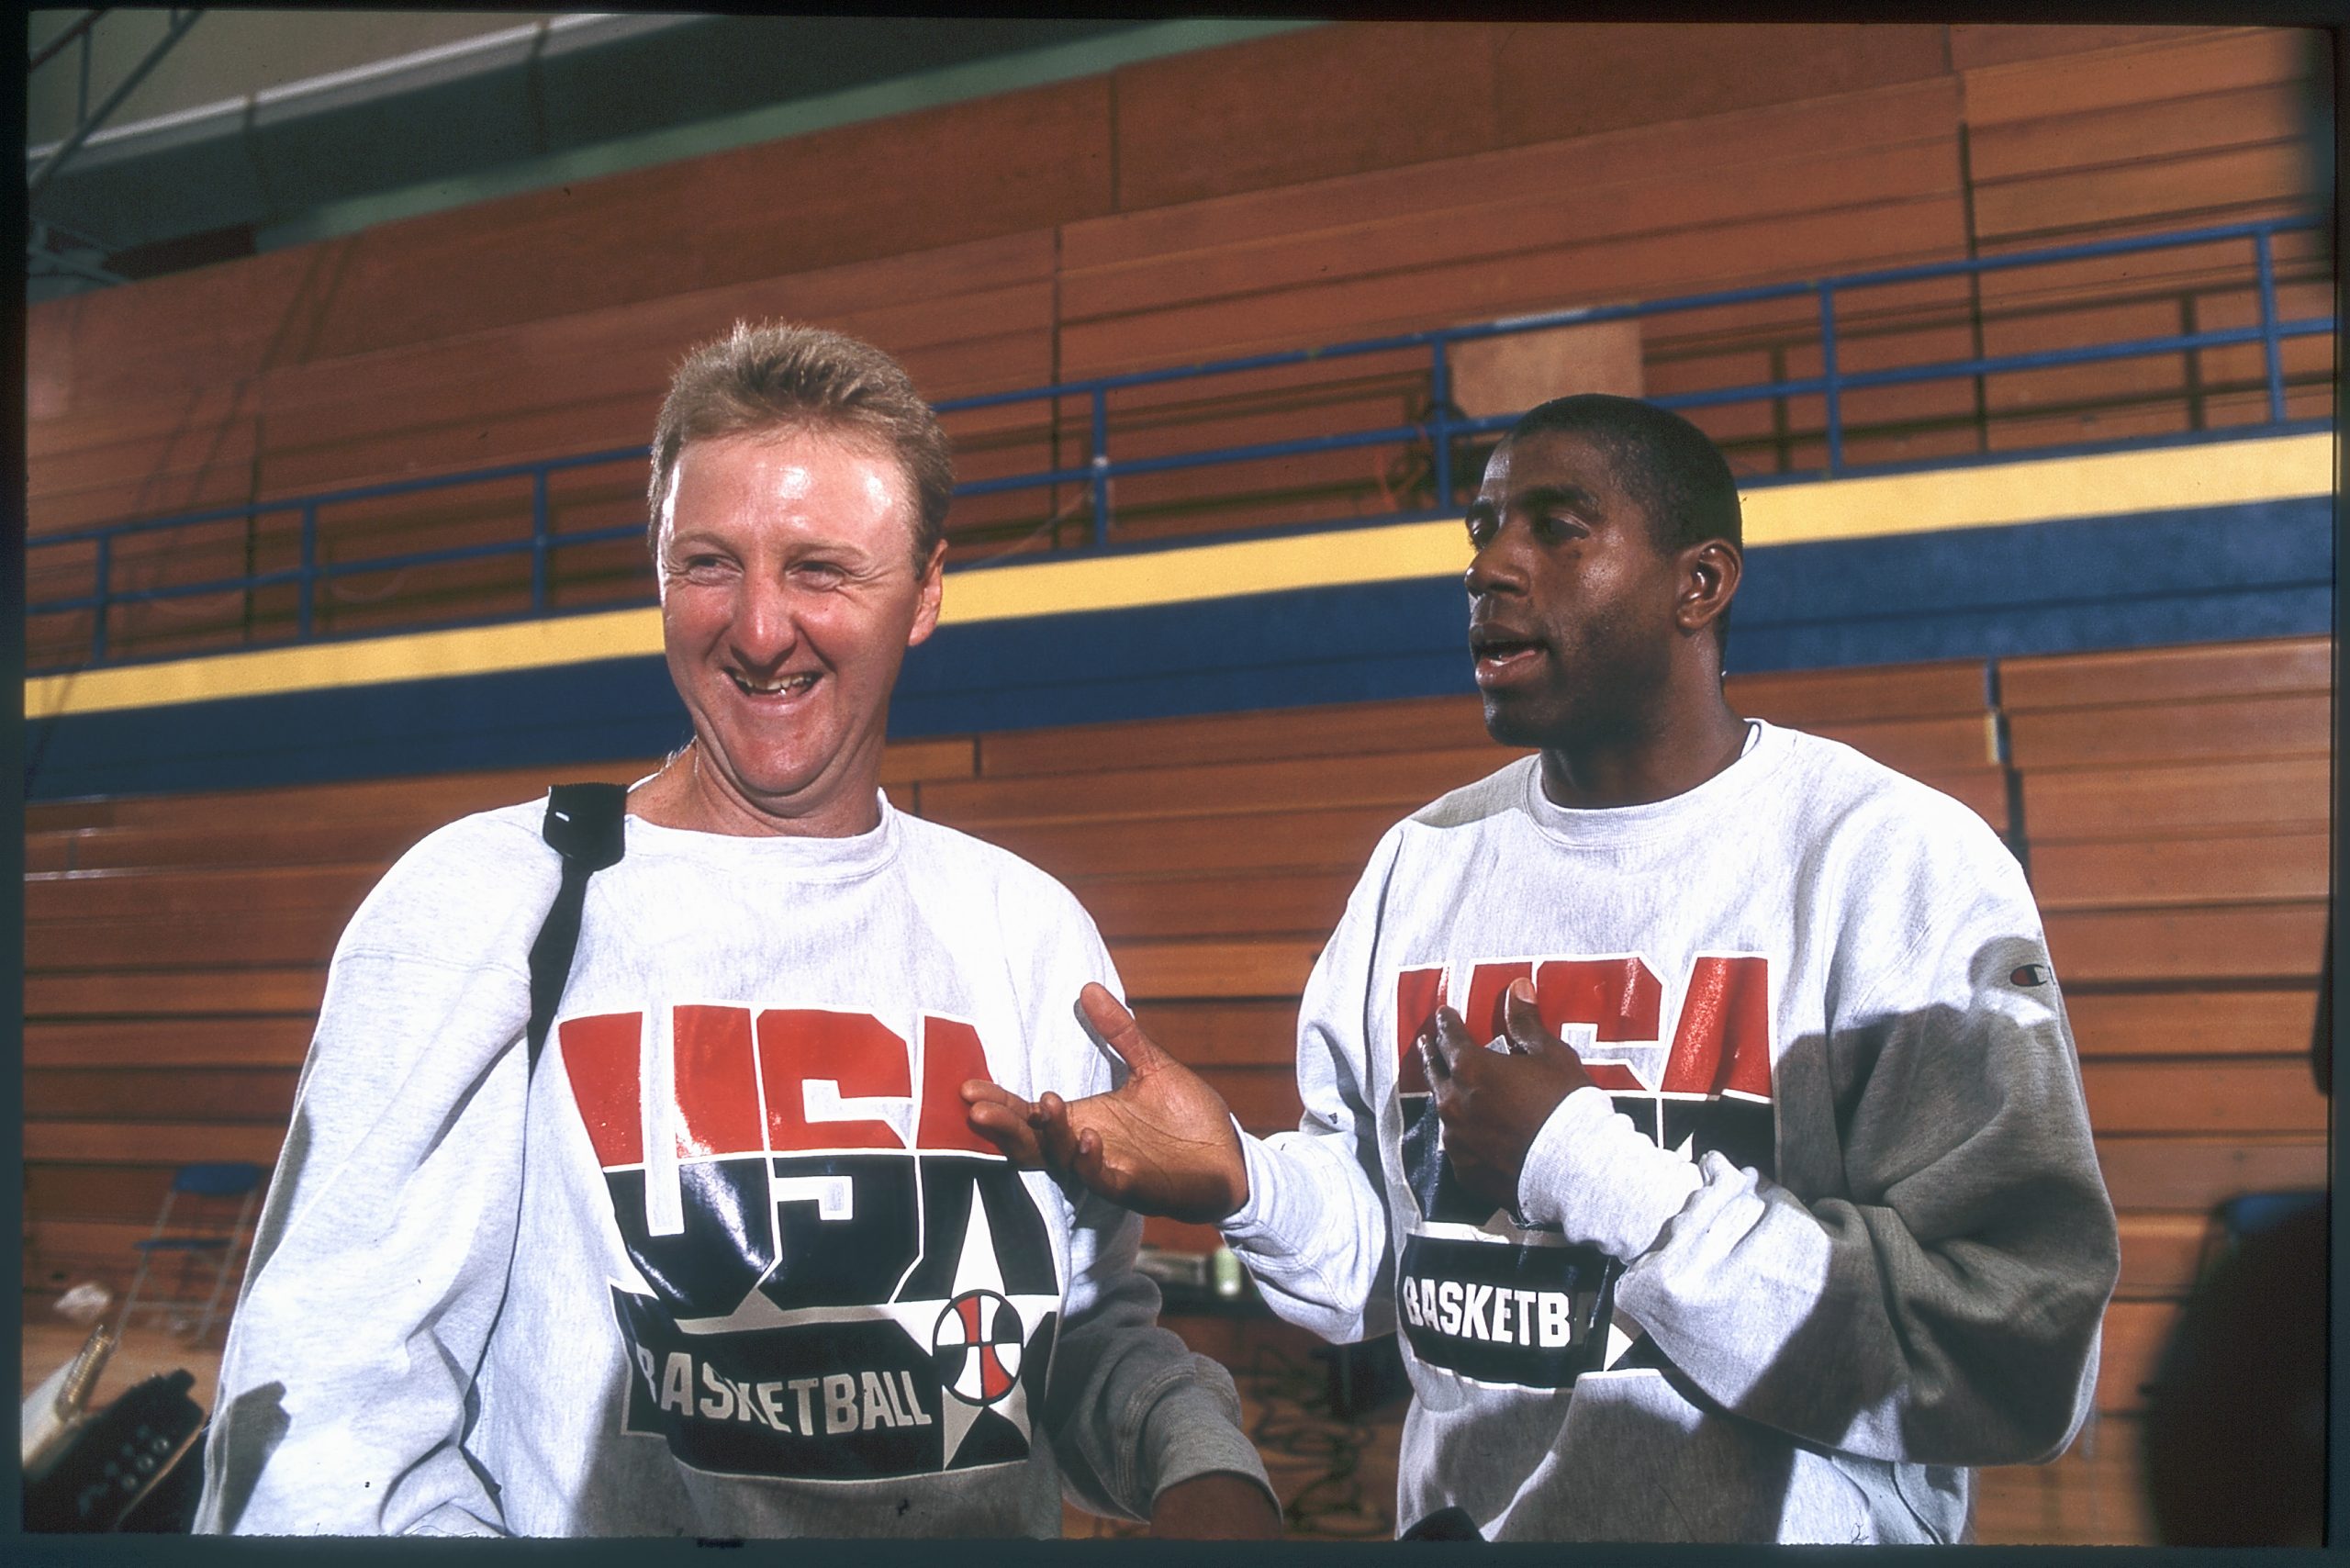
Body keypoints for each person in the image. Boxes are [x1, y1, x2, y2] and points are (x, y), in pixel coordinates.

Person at [965, 394, 2121, 1543]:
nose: (1491, 567)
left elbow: (2018, 1351)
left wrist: (1583, 1162)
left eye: (1558, 526)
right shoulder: (1423, 862)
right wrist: (1248, 1188)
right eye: (1483, 528)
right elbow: (1386, 1268)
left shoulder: (1890, 861)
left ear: (1698, 584)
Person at [194, 321, 1279, 1539]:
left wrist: (1201, 1464)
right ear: (657, 567)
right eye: (711, 564)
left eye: (821, 570)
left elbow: (1066, 1338)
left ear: (924, 592)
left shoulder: (1028, 932)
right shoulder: (483, 908)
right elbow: (325, 1433)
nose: (760, 630)